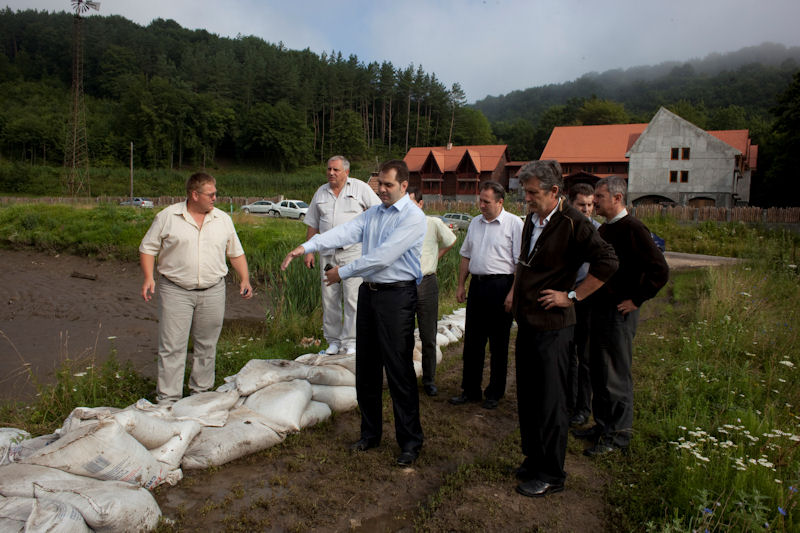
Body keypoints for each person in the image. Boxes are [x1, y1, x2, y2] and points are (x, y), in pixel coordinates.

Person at [281, 159, 427, 466]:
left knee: (399, 370)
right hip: (370, 294)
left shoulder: (413, 218)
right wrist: (307, 246)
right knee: (367, 369)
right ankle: (370, 434)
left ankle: (410, 442)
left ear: (404, 185)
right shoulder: (373, 214)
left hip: (397, 297)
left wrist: (342, 272)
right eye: (380, 185)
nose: (383, 190)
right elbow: (343, 233)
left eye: (389, 185)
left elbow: (382, 257)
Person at [511, 160, 618, 498]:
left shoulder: (575, 223)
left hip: (554, 329)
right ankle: (534, 459)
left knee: (551, 402)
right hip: (528, 322)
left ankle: (552, 473)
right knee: (528, 398)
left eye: (532, 193)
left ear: (554, 191)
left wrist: (571, 295)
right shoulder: (532, 218)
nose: (526, 199)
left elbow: (608, 262)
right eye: (525, 192)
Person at [575, 176, 669, 457]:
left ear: (617, 198)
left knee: (616, 373)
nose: (596, 203)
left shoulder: (633, 229)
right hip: (599, 310)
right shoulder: (606, 230)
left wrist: (636, 299)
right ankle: (603, 425)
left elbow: (659, 270)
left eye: (600, 197)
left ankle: (618, 435)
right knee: (599, 370)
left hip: (619, 312)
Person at [139, 172, 253, 403]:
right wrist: (148, 277)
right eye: (210, 194)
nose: (215, 198)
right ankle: (168, 399)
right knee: (172, 347)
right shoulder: (168, 217)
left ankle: (200, 394)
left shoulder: (223, 219)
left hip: (213, 291)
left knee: (207, 345)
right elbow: (148, 248)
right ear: (194, 194)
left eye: (215, 193)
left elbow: (236, 252)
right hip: (175, 291)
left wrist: (245, 279)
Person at [449, 181, 522, 410]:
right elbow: (466, 256)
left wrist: (512, 293)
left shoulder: (514, 224)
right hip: (478, 287)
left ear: (500, 202)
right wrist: (461, 285)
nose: (481, 205)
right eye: (480, 200)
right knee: (472, 342)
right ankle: (470, 390)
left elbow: (520, 263)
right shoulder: (474, 223)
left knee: (498, 343)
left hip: (501, 286)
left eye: (486, 202)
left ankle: (494, 392)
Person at [304, 155, 381, 355]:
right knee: (329, 298)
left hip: (353, 252)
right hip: (327, 253)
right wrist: (309, 250)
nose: (331, 173)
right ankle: (333, 341)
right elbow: (313, 222)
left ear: (346, 172)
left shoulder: (360, 189)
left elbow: (378, 213)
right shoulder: (320, 193)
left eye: (336, 170)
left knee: (352, 297)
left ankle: (352, 341)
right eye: (329, 169)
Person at [407, 185, 457, 397]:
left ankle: (429, 380)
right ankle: (406, 378)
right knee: (404, 335)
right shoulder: (398, 226)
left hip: (427, 283)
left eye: (411, 204)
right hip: (404, 284)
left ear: (420, 204)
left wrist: (435, 257)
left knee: (428, 335)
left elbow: (451, 241)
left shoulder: (433, 223)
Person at [566, 182, 602, 428]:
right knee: (567, 355)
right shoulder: (564, 228)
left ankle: (583, 407)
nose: (587, 209)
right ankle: (567, 402)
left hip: (588, 300)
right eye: (582, 204)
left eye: (590, 205)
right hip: (565, 298)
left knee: (585, 356)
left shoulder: (598, 232)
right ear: (571, 204)